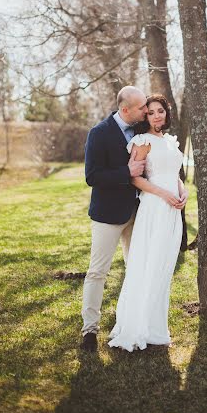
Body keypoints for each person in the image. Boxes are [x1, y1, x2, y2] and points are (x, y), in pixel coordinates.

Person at [108, 94, 188, 352]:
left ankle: (156, 328)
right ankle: (138, 326)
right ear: (146, 116)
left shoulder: (169, 141)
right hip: (154, 208)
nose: (156, 116)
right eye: (151, 112)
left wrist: (181, 190)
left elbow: (172, 174)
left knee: (164, 267)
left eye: (160, 111)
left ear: (167, 113)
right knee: (149, 265)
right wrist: (164, 194)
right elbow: (135, 178)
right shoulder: (142, 142)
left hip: (173, 211)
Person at [80, 86, 149, 352]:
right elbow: (92, 176)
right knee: (97, 272)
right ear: (125, 109)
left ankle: (134, 324)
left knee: (136, 269)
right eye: (141, 107)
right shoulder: (99, 134)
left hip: (136, 213)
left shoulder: (141, 130)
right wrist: (126, 171)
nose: (145, 110)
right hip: (108, 215)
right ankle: (90, 330)